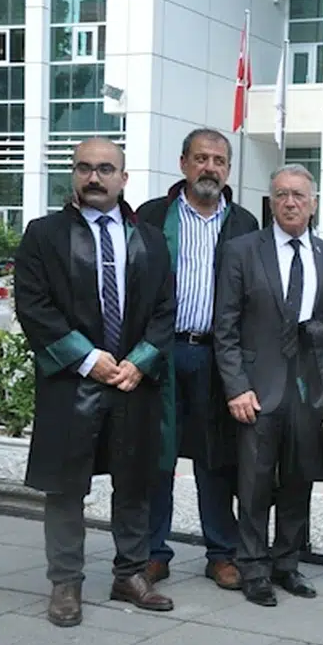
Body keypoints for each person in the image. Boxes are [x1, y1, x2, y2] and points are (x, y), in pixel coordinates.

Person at [15, 137, 176, 626]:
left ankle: (130, 573)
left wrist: (139, 362)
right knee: (66, 487)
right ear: (73, 173)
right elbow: (33, 306)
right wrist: (87, 359)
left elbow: (165, 309)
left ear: (123, 178)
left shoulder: (149, 239)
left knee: (135, 481)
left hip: (131, 381)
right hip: (72, 382)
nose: (94, 177)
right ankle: (66, 581)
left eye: (105, 169)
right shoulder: (44, 234)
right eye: (84, 167)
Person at [213, 164, 323, 607]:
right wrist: (236, 386)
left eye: (299, 195)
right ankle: (253, 567)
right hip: (256, 388)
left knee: (299, 480)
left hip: (307, 393)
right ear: (271, 202)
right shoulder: (242, 250)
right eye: (282, 195)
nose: (290, 202)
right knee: (254, 483)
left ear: (313, 204)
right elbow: (225, 326)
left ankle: (287, 563)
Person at [137, 128, 259, 592]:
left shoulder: (245, 223)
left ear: (228, 170)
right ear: (183, 163)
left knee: (217, 458)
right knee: (158, 454)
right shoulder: (153, 215)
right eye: (201, 158)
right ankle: (153, 552)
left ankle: (221, 553)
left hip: (216, 355)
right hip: (161, 352)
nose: (210, 167)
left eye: (219, 161)